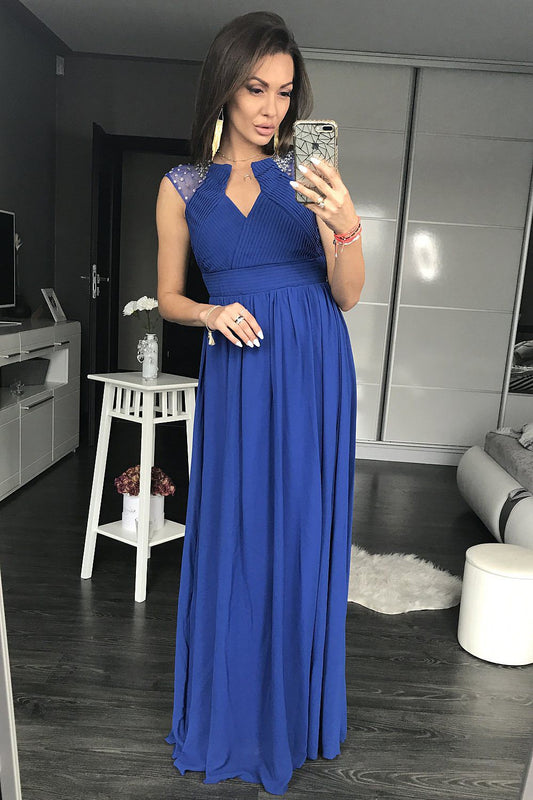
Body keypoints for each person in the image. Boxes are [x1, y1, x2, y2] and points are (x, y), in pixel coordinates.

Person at [156, 10, 365, 796]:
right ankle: (233, 711)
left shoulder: (306, 176)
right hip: (240, 372)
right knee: (236, 534)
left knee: (302, 534)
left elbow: (346, 295)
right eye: (254, 88)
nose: (270, 108)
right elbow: (168, 296)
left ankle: (297, 714)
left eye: (283, 91)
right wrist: (208, 312)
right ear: (224, 87)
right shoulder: (181, 187)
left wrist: (346, 226)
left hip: (313, 366)